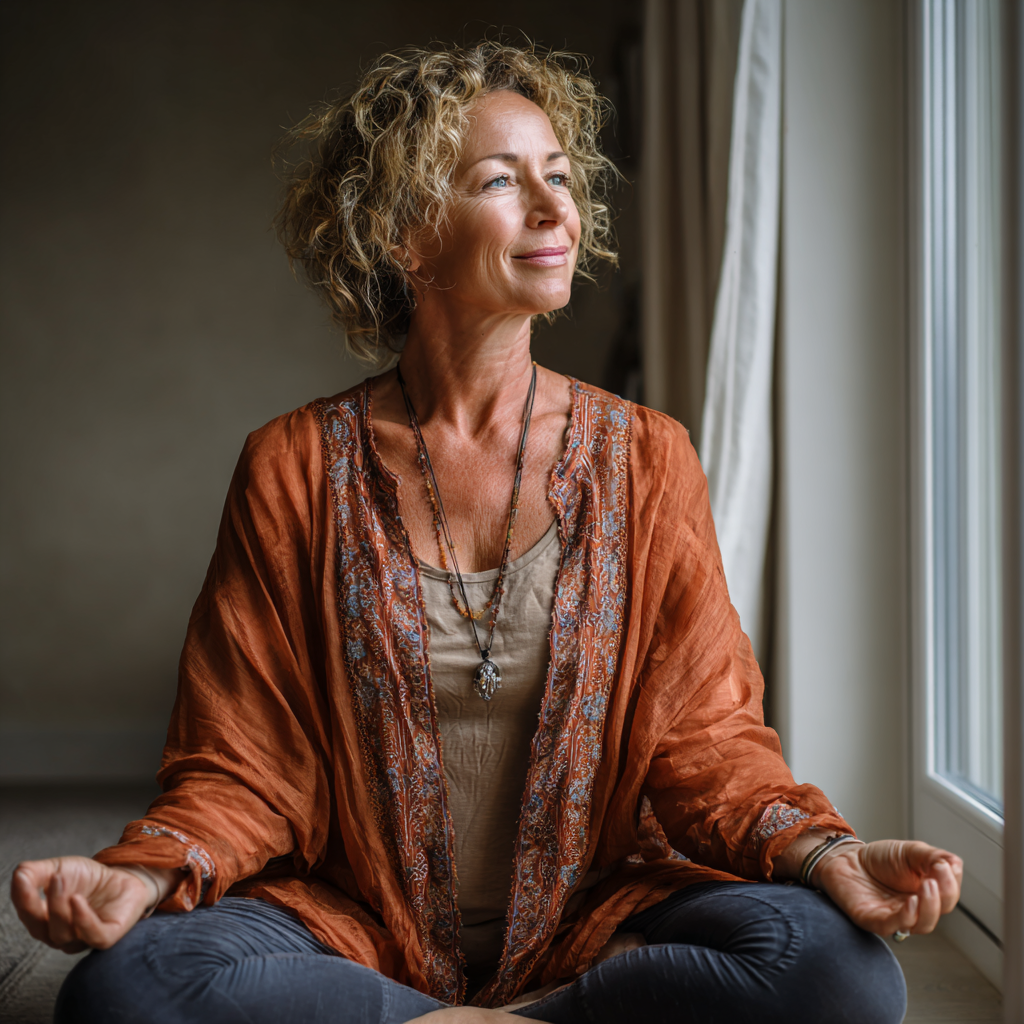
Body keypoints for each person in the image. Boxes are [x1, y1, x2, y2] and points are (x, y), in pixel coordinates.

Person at [12, 41, 961, 1024]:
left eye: (559, 177)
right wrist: (143, 874)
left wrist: (830, 854)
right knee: (122, 992)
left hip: (590, 917)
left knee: (842, 974)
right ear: (402, 232)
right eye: (502, 182)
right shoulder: (290, 466)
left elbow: (705, 739)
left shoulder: (646, 457)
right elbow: (242, 765)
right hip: (351, 920)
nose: (555, 209)